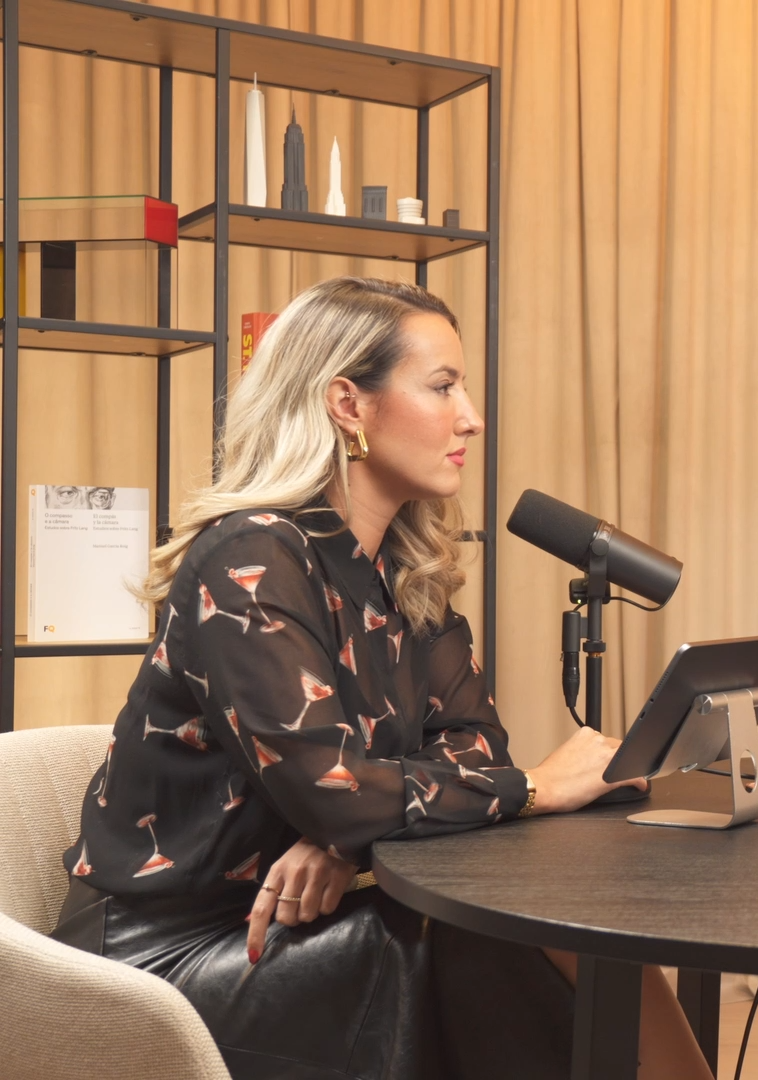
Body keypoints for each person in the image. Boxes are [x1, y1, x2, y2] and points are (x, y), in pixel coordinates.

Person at [55, 277, 713, 1080]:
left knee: (547, 913)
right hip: (167, 959)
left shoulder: (403, 569)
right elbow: (345, 790)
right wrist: (531, 788)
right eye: (442, 387)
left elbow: (473, 747)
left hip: (297, 917)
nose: (470, 415)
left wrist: (345, 833)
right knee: (478, 930)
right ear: (348, 404)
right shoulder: (250, 557)